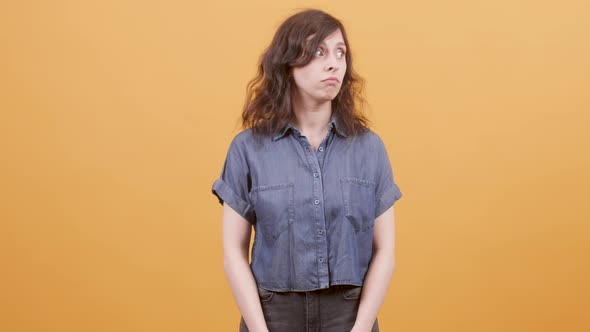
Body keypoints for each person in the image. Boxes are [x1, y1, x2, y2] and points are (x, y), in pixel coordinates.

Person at [211, 8, 402, 332]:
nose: (333, 63)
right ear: (288, 63)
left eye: (340, 53)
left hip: (349, 315)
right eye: (318, 52)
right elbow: (233, 252)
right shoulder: (248, 149)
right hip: (272, 316)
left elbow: (385, 249)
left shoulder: (369, 148)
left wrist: (362, 327)